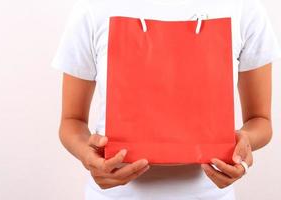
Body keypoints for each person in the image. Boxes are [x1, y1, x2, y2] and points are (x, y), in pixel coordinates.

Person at [51, 0, 281, 199]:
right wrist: (87, 156)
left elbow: (260, 120)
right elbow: (72, 121)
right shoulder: (95, 7)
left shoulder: (242, 7)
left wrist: (244, 144)